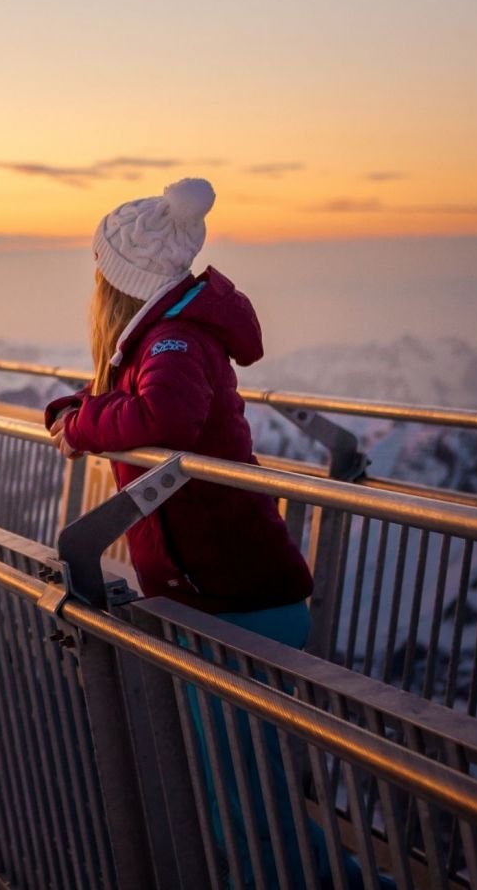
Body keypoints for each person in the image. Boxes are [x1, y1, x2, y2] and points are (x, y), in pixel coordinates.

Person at [43, 177, 313, 645]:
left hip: (237, 600)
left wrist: (84, 426)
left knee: (221, 722)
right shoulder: (158, 338)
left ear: (120, 282)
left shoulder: (176, 341)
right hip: (214, 592)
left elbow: (164, 415)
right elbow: (129, 389)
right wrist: (75, 407)